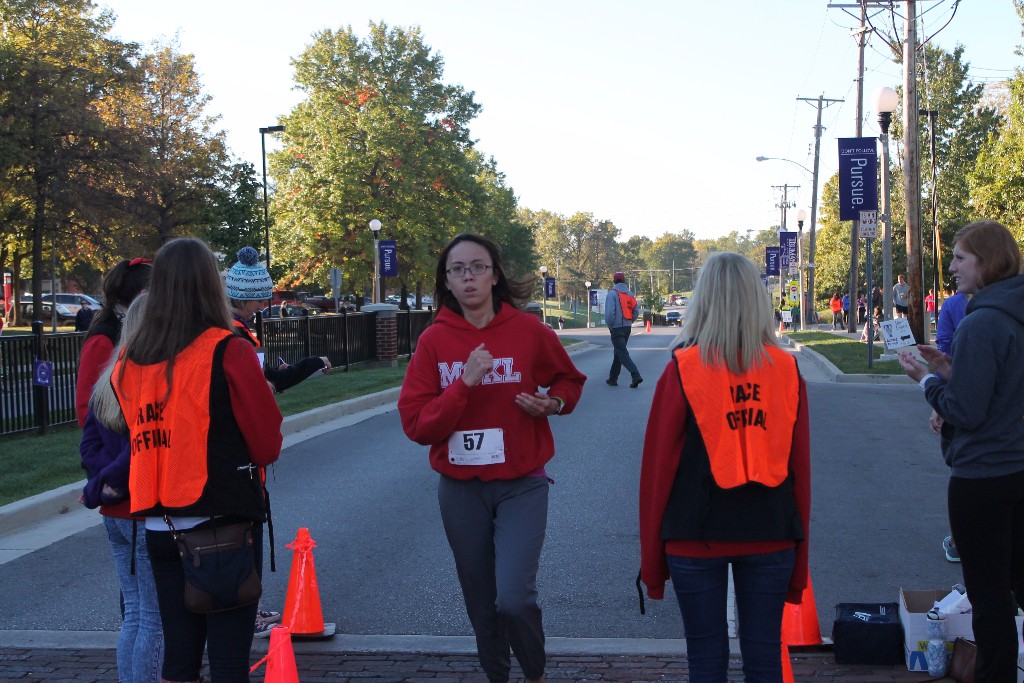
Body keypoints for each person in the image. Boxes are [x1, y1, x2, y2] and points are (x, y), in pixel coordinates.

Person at [398, 233, 586, 683]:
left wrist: (554, 404)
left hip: (522, 482)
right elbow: (417, 425)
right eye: (457, 269)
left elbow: (569, 380)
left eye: (478, 267)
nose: (468, 277)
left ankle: (534, 672)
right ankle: (496, 675)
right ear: (446, 280)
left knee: (513, 598)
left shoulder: (527, 331)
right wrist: (463, 385)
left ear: (495, 274)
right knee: (481, 601)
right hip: (461, 491)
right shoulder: (434, 342)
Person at [111, 237, 283, 683]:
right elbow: (266, 446)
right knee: (228, 660)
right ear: (213, 284)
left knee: (179, 659)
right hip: (220, 521)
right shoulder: (230, 349)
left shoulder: (130, 359)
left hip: (157, 524)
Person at [639, 251, 811, 683]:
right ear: (758, 299)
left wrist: (652, 564)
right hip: (771, 531)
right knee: (764, 657)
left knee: (705, 659)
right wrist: (800, 558)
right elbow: (800, 472)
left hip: (694, 536)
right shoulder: (786, 369)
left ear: (703, 300)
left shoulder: (683, 368)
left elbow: (657, 472)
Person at [898, 220, 1024, 683]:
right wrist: (952, 368)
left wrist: (927, 382)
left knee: (990, 600)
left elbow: (967, 410)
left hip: (983, 477)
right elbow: (1001, 390)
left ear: (986, 263)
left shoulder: (981, 320)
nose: (951, 268)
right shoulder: (1011, 314)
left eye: (959, 258)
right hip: (1018, 467)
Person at [80, 294, 163, 683]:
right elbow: (140, 447)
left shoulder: (108, 376)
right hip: (142, 508)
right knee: (153, 618)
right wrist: (110, 482)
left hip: (113, 514)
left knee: (133, 612)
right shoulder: (153, 378)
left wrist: (99, 485)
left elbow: (89, 447)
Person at [224, 246, 330, 394]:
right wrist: (315, 362)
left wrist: (276, 371)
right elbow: (273, 381)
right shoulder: (235, 334)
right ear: (244, 299)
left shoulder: (230, 327)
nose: (262, 307)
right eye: (260, 301)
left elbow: (264, 374)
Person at [75, 258, 153, 426]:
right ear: (144, 294)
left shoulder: (140, 330)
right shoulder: (104, 337)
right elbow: (85, 403)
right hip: (111, 440)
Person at [933, 289, 970, 564]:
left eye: (960, 258)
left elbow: (944, 349)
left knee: (962, 471)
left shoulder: (956, 305)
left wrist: (940, 403)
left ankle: (959, 541)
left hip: (966, 402)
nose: (953, 267)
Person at [604, 271, 643, 388]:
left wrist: (610, 324)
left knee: (622, 353)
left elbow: (610, 313)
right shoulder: (630, 294)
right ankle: (613, 378)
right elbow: (636, 311)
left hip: (616, 327)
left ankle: (635, 375)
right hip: (627, 327)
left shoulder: (612, 294)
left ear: (614, 281)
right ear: (624, 280)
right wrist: (630, 321)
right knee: (618, 352)